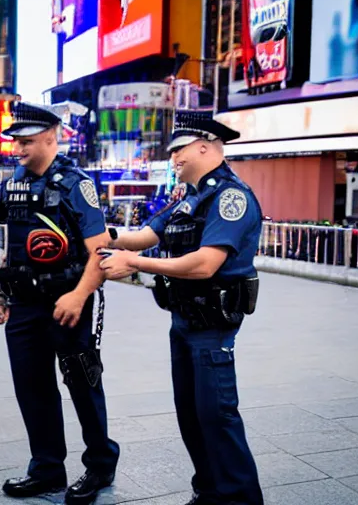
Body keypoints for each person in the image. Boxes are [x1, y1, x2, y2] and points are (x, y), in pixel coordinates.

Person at [99, 110, 264, 505]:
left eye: (179, 150)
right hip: (184, 323)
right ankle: (208, 493)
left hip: (212, 326)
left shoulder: (230, 197)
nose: (173, 158)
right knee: (192, 417)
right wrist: (101, 233)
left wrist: (135, 264)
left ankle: (239, 499)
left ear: (205, 146)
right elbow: (143, 236)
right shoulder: (191, 198)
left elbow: (206, 263)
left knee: (218, 418)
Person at [0, 102, 119, 504]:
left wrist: (79, 296)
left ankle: (99, 465)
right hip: (24, 306)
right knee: (32, 388)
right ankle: (46, 469)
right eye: (16, 143)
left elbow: (100, 251)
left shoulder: (75, 185)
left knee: (83, 384)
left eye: (26, 142)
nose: (18, 150)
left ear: (51, 136)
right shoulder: (10, 185)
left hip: (66, 304)